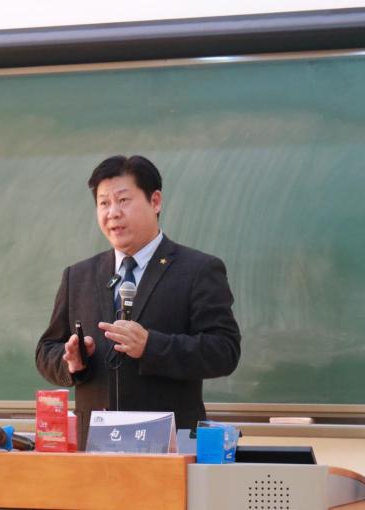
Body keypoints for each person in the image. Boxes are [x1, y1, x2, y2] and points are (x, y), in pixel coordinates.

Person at [35, 155, 242, 449]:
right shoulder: (79, 275)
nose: (113, 213)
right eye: (104, 203)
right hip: (94, 450)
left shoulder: (197, 270)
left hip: (169, 449)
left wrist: (151, 346)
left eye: (123, 200)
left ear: (155, 201)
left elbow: (224, 351)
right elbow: (46, 350)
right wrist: (71, 362)